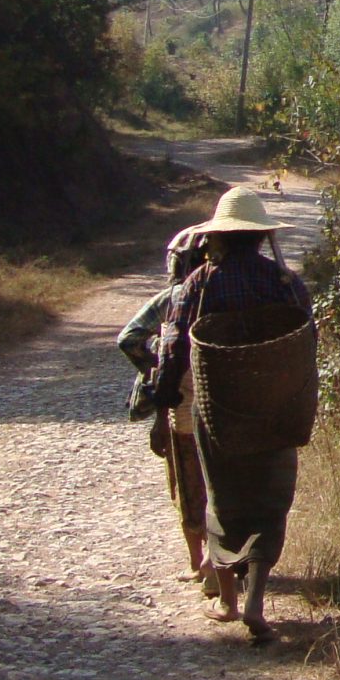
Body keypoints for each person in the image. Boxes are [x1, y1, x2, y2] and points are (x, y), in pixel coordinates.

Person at [162, 185, 311, 642]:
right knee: (270, 501)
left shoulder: (199, 283)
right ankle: (255, 602)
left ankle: (227, 600)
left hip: (218, 409)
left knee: (222, 497)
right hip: (274, 409)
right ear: (261, 236)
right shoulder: (284, 282)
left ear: (219, 237)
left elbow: (174, 343)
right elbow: (307, 342)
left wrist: (165, 393)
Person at [117, 229, 212, 587]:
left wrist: (154, 366)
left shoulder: (171, 298)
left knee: (186, 484)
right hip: (225, 410)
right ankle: (224, 563)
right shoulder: (223, 290)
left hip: (181, 409)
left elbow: (128, 339)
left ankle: (197, 561)